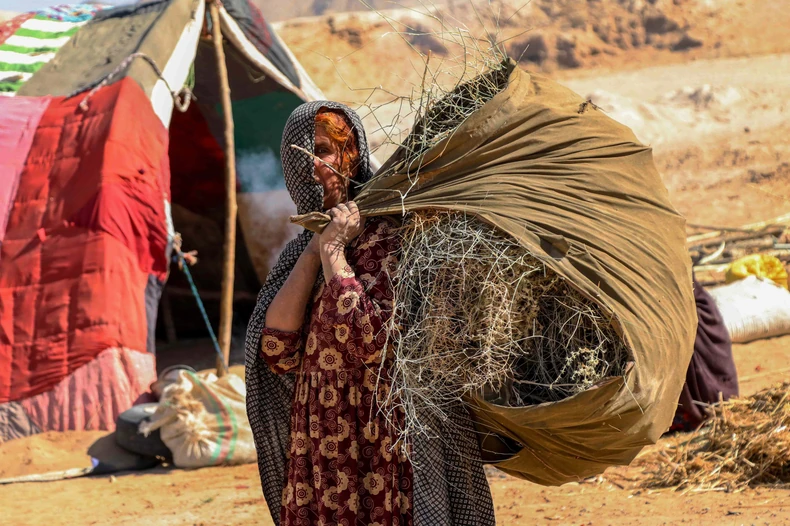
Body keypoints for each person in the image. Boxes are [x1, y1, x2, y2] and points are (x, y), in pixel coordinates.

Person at [245, 101, 495, 526]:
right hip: (324, 442)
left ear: (352, 154)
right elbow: (275, 349)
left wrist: (335, 253)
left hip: (387, 434)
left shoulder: (392, 236)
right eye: (298, 153)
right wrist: (319, 246)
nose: (310, 165)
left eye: (322, 149)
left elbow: (374, 341)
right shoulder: (300, 252)